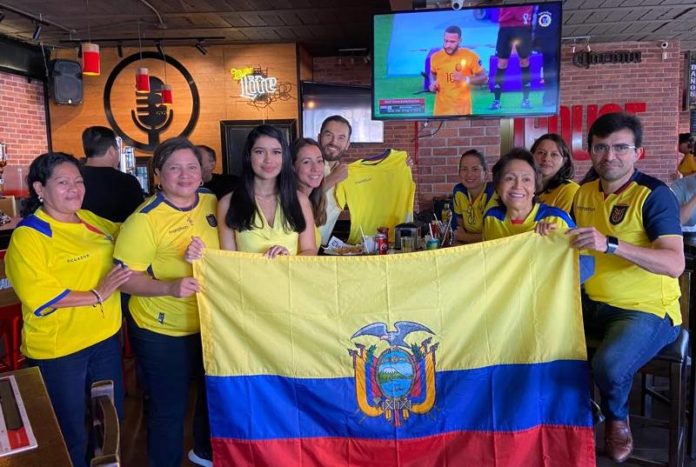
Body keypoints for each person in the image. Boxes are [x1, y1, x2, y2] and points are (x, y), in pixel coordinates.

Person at [569, 113, 683, 463]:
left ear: (639, 153)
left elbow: (674, 264)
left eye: (621, 147)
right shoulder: (584, 192)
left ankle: (617, 420)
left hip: (647, 309)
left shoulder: (654, 195)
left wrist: (613, 245)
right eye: (601, 147)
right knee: (534, 338)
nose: (610, 156)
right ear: (589, 151)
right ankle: (571, 418)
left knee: (610, 366)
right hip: (591, 303)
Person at [5, 152, 132, 467]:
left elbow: (131, 234)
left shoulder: (92, 221)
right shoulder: (30, 235)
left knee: (110, 425)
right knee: (70, 432)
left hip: (104, 340)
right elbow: (40, 296)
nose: (74, 188)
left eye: (78, 181)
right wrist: (97, 293)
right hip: (60, 351)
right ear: (40, 189)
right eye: (63, 182)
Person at [114, 137, 219, 467]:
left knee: (211, 398)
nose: (185, 175)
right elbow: (125, 278)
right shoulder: (143, 219)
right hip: (161, 330)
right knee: (168, 409)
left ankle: (205, 456)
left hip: (208, 323)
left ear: (202, 174)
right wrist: (169, 287)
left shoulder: (213, 203)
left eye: (192, 167)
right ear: (158, 174)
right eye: (174, 168)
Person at [217, 125, 316, 256]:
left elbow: (310, 250)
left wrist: (287, 260)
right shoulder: (227, 203)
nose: (268, 160)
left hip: (290, 275)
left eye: (276, 152)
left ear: (284, 157)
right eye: (259, 152)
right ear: (248, 156)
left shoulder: (300, 200)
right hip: (248, 277)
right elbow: (228, 260)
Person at [482, 148, 574, 241]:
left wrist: (558, 236)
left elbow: (579, 253)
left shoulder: (557, 219)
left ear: (535, 186)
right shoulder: (491, 218)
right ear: (497, 185)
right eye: (509, 178)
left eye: (526, 179)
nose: (518, 186)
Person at [81, 126, 144, 222]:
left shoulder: (75, 180)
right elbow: (139, 219)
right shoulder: (127, 182)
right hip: (120, 236)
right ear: (111, 150)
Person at [429, 25, 487, 116]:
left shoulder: (470, 56)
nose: (448, 45)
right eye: (446, 41)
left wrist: (465, 79)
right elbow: (432, 73)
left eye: (452, 42)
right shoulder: (435, 57)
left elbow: (484, 77)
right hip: (440, 113)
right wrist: (432, 83)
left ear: (460, 41)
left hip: (463, 113)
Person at [489, 5, 536, 110]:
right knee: (502, 63)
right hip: (505, 26)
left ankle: (526, 100)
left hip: (523, 25)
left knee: (524, 61)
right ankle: (496, 101)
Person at [318, 115, 352, 245]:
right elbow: (295, 200)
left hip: (319, 248)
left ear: (347, 144)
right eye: (328, 135)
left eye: (341, 138)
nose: (334, 142)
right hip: (294, 250)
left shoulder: (346, 174)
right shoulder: (304, 164)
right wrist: (332, 179)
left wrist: (400, 167)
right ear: (319, 137)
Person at [452, 149, 497, 243]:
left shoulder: (494, 193)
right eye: (464, 169)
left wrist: (465, 237)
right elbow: (460, 227)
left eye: (475, 169)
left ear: (485, 173)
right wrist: (464, 237)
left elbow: (495, 235)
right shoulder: (458, 191)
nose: (469, 174)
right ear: (459, 173)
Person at [292, 137, 326, 249]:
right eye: (306, 162)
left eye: (319, 161)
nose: (315, 169)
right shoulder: (291, 202)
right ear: (292, 167)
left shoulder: (311, 200)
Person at [531, 133, 579, 212]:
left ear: (564, 161)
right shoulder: (525, 187)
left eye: (554, 154)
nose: (546, 158)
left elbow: (560, 223)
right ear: (532, 156)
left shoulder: (568, 190)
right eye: (541, 152)